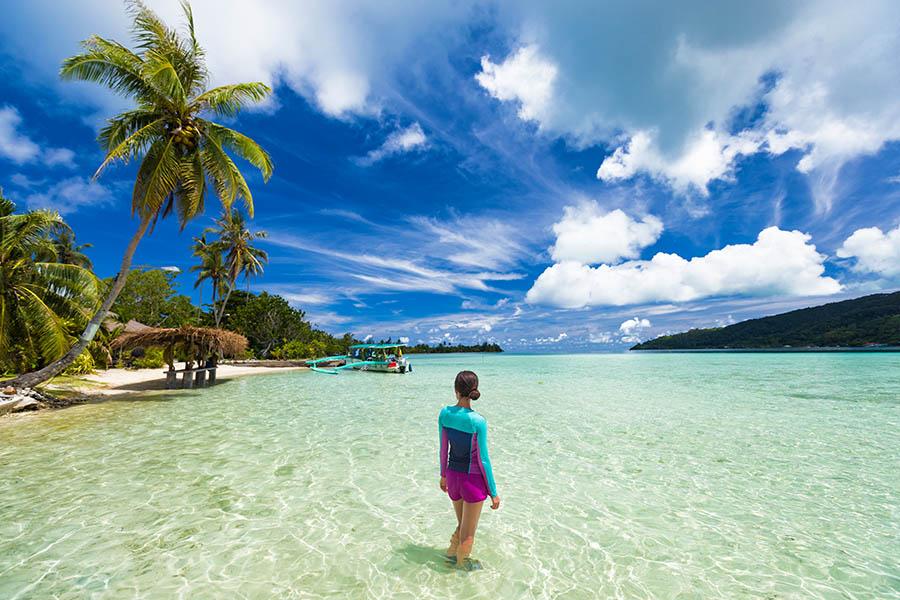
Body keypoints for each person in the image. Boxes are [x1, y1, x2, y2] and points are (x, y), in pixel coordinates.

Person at [438, 370, 500, 567]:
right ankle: (460, 567)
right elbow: (483, 460)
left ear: (456, 390)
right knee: (468, 535)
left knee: (462, 525)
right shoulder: (478, 421)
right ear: (474, 390)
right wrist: (493, 492)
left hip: (453, 478)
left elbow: (443, 449)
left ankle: (451, 557)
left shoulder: (444, 414)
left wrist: (443, 476)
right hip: (472, 482)